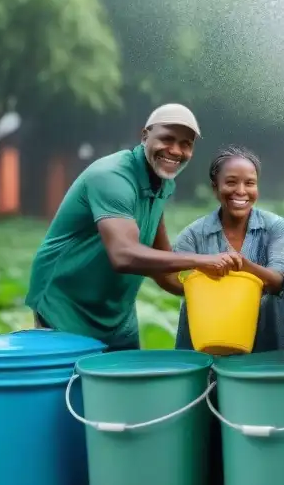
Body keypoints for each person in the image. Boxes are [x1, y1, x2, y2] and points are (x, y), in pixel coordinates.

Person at [25, 104, 242, 350]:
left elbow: (162, 267)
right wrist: (202, 261)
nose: (176, 150)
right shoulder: (112, 177)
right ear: (145, 135)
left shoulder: (163, 184)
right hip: (65, 305)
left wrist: (212, 294)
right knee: (70, 386)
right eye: (167, 139)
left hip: (115, 310)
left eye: (186, 143)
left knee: (125, 384)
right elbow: (124, 255)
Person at [161, 146, 284, 353]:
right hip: (211, 342)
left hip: (270, 342)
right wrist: (204, 291)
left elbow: (279, 280)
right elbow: (170, 275)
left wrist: (245, 266)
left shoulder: (275, 227)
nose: (241, 191)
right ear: (215, 187)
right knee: (212, 384)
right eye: (231, 182)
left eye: (250, 183)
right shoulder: (194, 235)